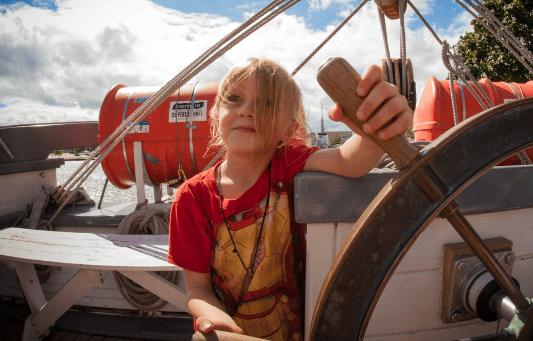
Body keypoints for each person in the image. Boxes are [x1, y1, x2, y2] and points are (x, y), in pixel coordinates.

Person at [167, 57, 413, 341]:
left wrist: (375, 129)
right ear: (215, 115)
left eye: (267, 103)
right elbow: (197, 290)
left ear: (289, 128)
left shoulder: (289, 163)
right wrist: (217, 321)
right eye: (234, 99)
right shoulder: (191, 198)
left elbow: (349, 161)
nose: (247, 111)